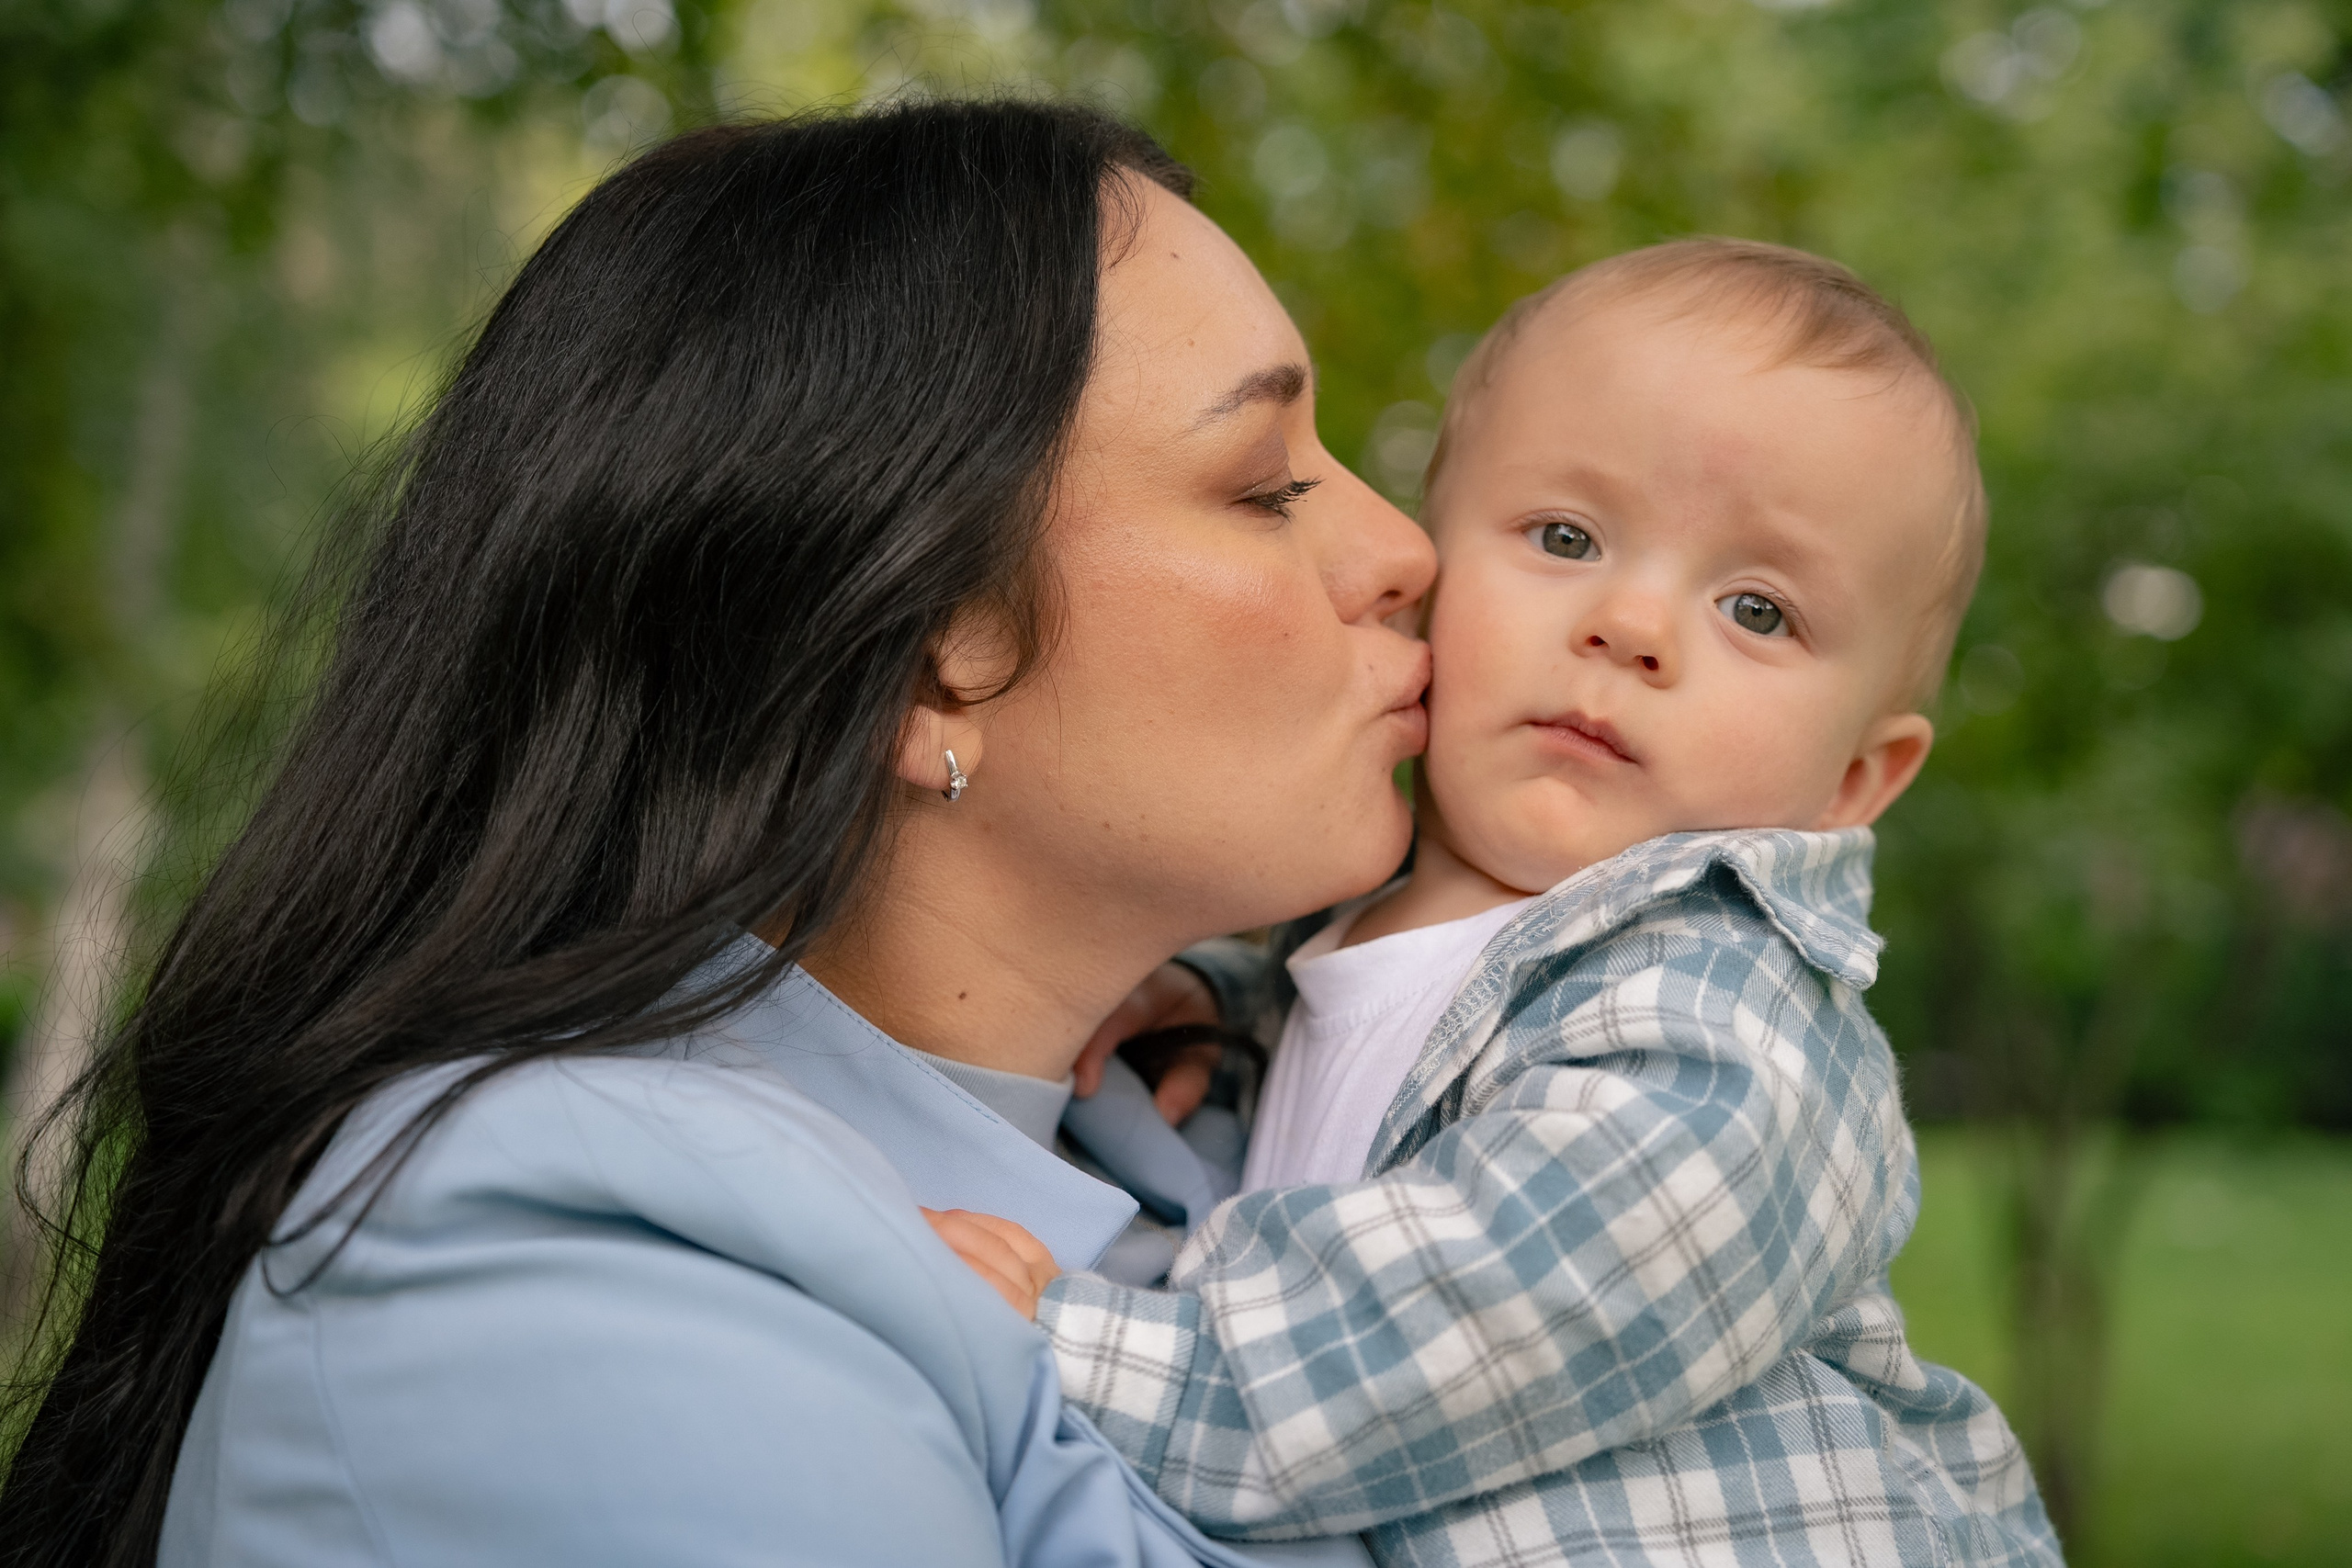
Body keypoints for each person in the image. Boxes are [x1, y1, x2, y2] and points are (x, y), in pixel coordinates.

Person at [0, 101, 1436, 1568]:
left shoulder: (1250, 1133)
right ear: (928, 660)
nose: (1407, 550)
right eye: (1265, 487)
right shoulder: (568, 1264)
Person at [1012, 242, 2065, 1566]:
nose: (1632, 625)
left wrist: (1073, 1353)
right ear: (1422, 579)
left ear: (1855, 779)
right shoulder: (1343, 933)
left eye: (1757, 609)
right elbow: (1385, 1050)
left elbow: (1495, 1314)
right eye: (1567, 538)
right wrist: (1221, 1009)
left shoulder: (1725, 1024)